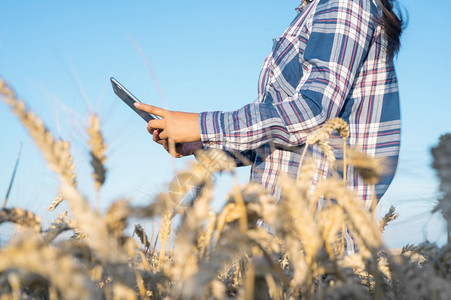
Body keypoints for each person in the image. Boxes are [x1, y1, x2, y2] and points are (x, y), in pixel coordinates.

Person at [134, 0, 404, 255]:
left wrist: (202, 125)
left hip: (312, 231)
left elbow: (313, 110)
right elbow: (284, 136)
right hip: (286, 228)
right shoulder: (315, 9)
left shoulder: (343, 3)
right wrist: (205, 144)